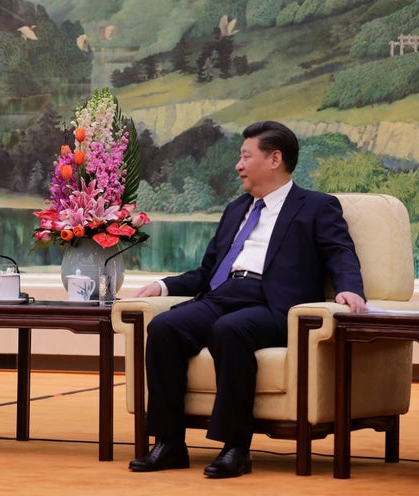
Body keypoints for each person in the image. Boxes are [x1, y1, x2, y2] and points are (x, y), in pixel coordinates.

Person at [128, 121, 366, 478]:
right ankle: (169, 443)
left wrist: (351, 288)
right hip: (224, 293)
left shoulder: (316, 206)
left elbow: (340, 252)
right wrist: (163, 286)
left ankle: (235, 448)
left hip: (273, 304)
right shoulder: (237, 208)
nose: (238, 165)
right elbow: (208, 270)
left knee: (230, 330)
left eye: (245, 156)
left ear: (274, 159)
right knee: (165, 327)